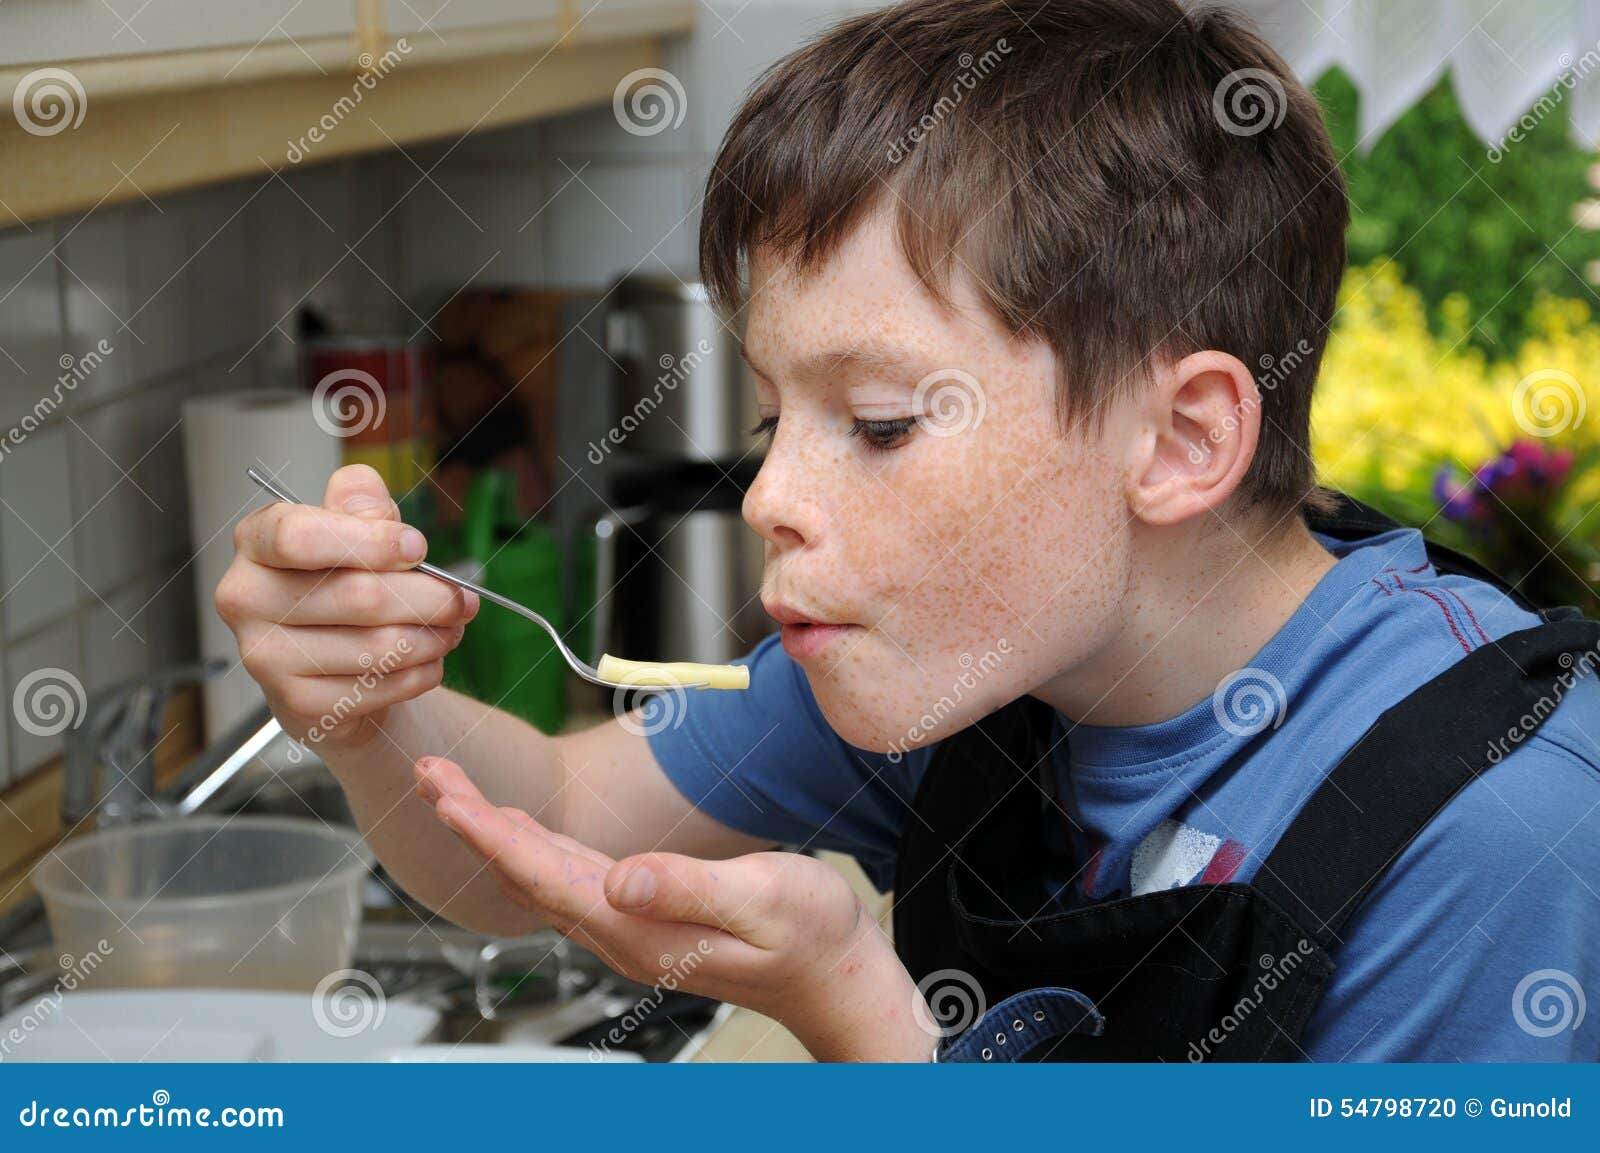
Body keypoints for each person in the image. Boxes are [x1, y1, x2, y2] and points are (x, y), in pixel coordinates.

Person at [217, 0, 1600, 1061]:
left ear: (1180, 442)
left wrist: (868, 1032)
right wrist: (367, 708)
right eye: (773, 420)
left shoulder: (1495, 827)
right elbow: (550, 829)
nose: (769, 498)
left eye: (877, 425)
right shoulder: (963, 657)